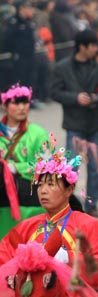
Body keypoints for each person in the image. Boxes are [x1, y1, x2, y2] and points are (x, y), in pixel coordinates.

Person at [0, 144, 98, 290]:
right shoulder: (29, 226)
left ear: (69, 190)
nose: (43, 191)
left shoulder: (87, 224)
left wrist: (70, 258)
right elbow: (4, 253)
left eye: (50, 184)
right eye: (40, 185)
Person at [50, 29, 98, 216]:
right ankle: (69, 205)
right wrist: (75, 98)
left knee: (96, 167)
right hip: (75, 125)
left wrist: (94, 98)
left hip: (95, 124)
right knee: (71, 168)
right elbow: (55, 92)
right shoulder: (62, 68)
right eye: (93, 45)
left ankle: (92, 205)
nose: (96, 49)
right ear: (82, 47)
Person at [0, 85, 49, 237]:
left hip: (28, 188)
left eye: (25, 102)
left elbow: (46, 166)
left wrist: (13, 168)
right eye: (16, 103)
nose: (22, 107)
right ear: (5, 106)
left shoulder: (38, 133)